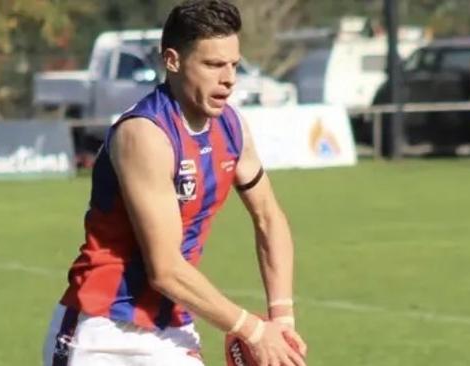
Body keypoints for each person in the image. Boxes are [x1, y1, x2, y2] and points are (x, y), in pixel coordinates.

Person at [42, 1, 307, 365]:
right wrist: (254, 330)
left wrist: (281, 319)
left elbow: (269, 218)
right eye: (213, 64)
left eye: (233, 64)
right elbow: (164, 269)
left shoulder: (232, 129)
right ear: (172, 60)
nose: (228, 78)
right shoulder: (145, 135)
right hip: (102, 334)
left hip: (171, 329)